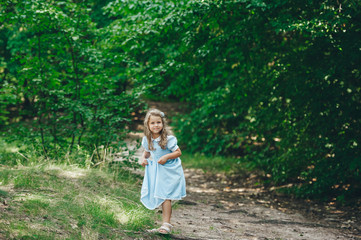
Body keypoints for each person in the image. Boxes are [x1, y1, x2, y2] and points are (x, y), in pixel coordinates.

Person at [140, 108, 186, 234]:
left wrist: (166, 157)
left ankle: (166, 224)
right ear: (148, 125)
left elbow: (178, 152)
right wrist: (143, 159)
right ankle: (164, 224)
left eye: (158, 122)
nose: (156, 125)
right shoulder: (147, 139)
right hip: (157, 171)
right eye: (153, 123)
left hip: (169, 171)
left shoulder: (168, 139)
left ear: (163, 123)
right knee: (160, 194)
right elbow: (147, 153)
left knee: (166, 196)